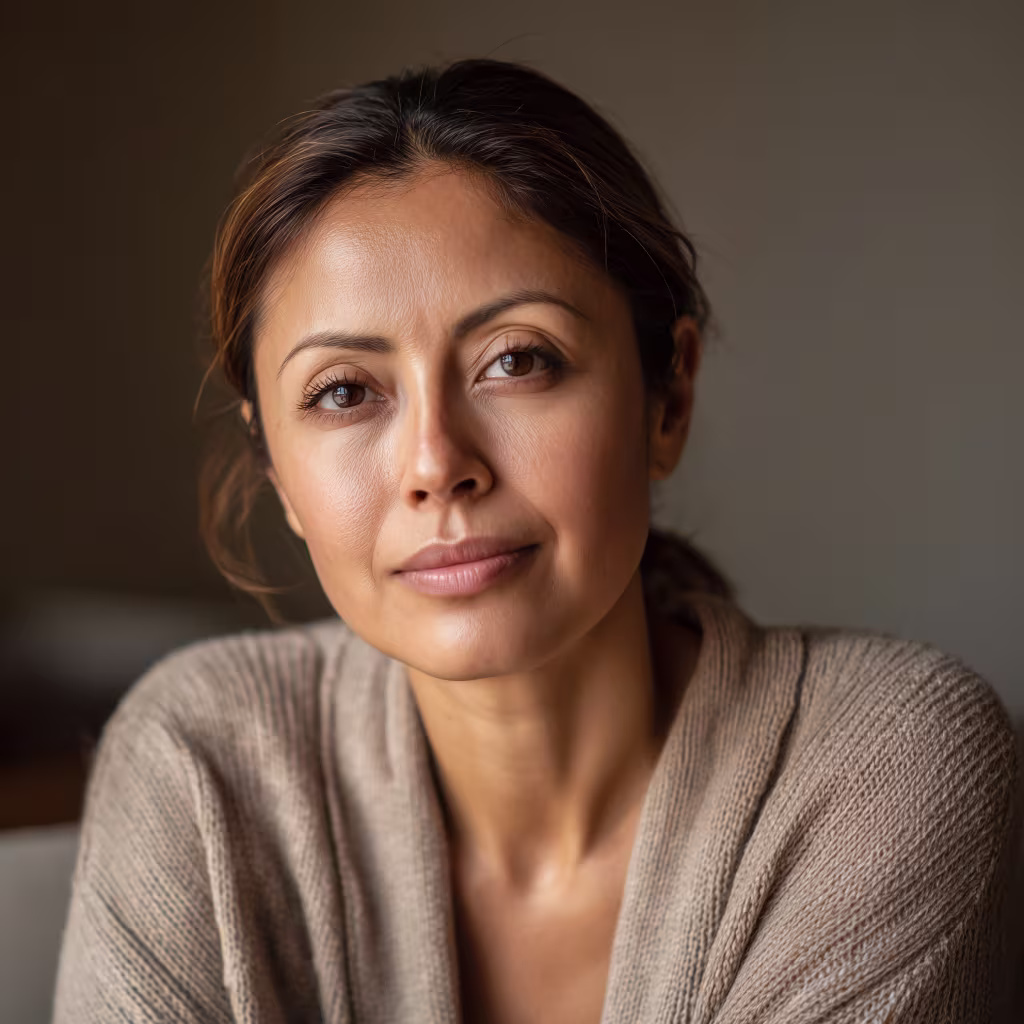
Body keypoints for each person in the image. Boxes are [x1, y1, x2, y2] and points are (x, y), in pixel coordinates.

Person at [53, 59, 1017, 1023]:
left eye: (517, 360)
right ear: (276, 471)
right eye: (344, 391)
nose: (437, 464)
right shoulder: (200, 766)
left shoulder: (881, 765)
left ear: (668, 398)